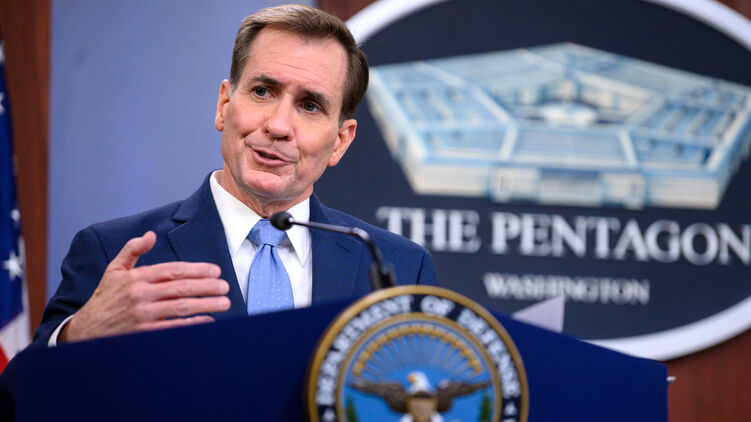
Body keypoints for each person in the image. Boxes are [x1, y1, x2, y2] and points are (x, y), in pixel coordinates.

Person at [30, 4, 437, 347]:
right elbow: (17, 398)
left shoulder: (400, 268)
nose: (278, 125)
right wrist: (78, 336)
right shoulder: (114, 252)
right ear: (224, 105)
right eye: (262, 91)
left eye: (310, 106)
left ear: (340, 142)